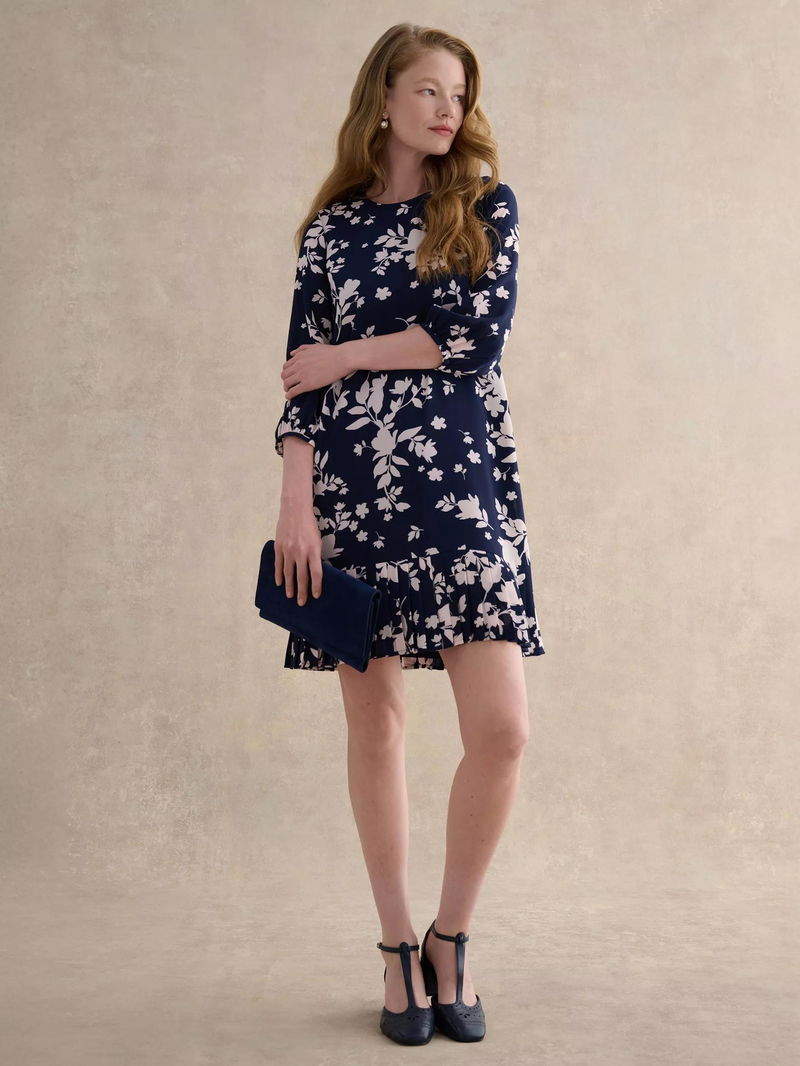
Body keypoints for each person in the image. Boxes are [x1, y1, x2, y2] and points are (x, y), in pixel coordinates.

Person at [272, 22, 545, 1046]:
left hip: (461, 490)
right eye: (429, 90)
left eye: (459, 94)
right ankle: (395, 948)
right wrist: (294, 503)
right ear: (382, 99)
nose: (447, 110)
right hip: (351, 495)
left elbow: (473, 339)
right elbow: (298, 378)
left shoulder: (482, 205)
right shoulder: (330, 232)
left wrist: (348, 356)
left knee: (502, 729)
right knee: (374, 723)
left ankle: (450, 937)